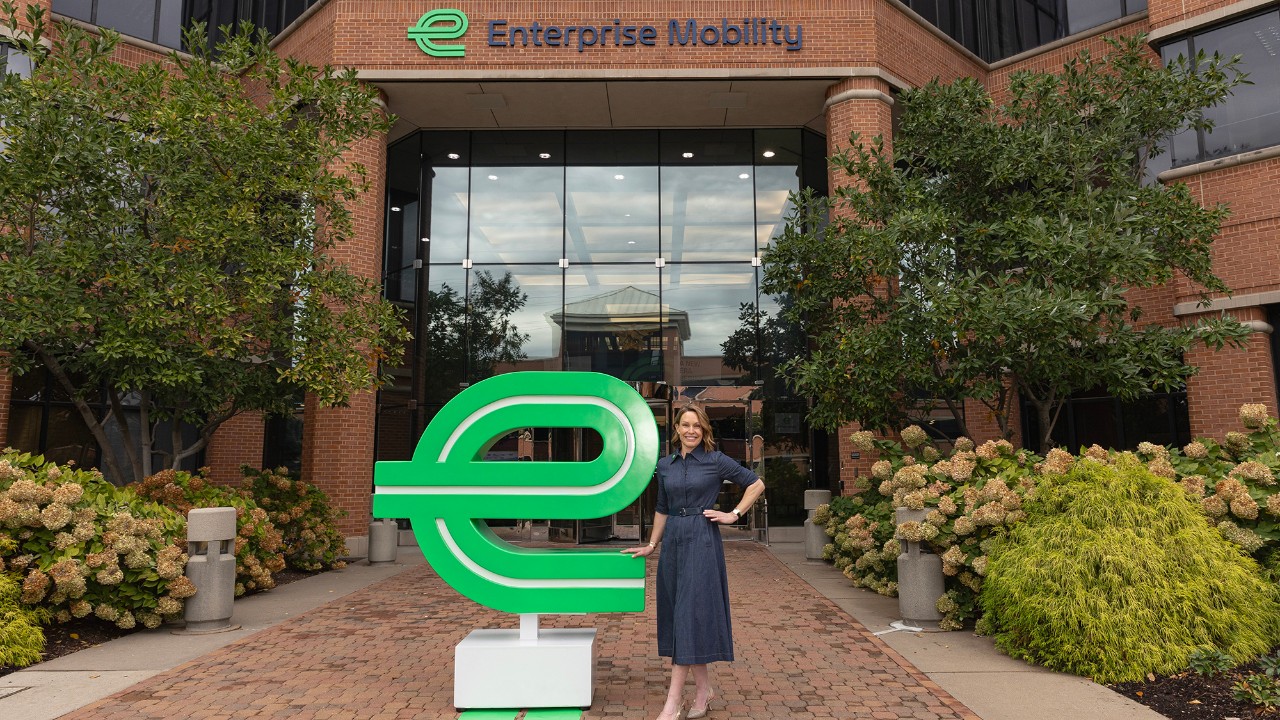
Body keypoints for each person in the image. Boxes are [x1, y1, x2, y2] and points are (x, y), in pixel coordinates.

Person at [623, 403, 766, 720]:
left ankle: (672, 703)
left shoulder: (716, 461)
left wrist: (733, 515)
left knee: (688, 616)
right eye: (685, 425)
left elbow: (756, 484)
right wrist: (651, 544)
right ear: (676, 428)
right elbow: (662, 508)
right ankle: (703, 691)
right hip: (673, 542)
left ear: (704, 431)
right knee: (681, 617)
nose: (691, 431)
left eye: (697, 426)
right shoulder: (665, 465)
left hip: (702, 541)